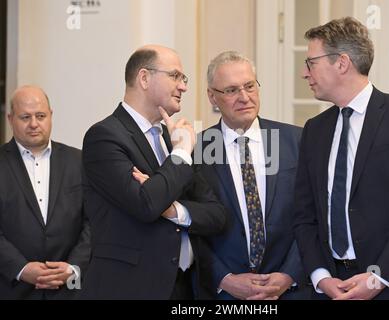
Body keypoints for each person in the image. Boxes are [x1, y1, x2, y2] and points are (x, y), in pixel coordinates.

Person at [294, 17, 389, 300]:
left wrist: (379, 277)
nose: (305, 73)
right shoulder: (314, 130)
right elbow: (304, 216)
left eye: (311, 63)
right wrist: (320, 276)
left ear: (341, 63)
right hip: (332, 289)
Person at [80, 45, 227, 300]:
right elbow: (146, 204)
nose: (184, 87)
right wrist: (181, 154)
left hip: (184, 287)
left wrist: (173, 210)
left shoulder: (172, 139)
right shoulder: (104, 137)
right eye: (175, 76)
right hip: (129, 288)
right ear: (144, 78)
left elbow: (216, 214)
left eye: (184, 79)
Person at [195, 51, 310, 300]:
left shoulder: (297, 141)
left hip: (290, 291)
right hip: (224, 295)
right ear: (212, 96)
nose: (244, 97)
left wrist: (289, 274)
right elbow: (191, 230)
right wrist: (224, 279)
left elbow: (313, 216)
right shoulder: (196, 151)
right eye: (231, 90)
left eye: (249, 86)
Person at [0, 86, 90, 299]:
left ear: (51, 115)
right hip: (11, 289)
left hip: (70, 291)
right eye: (25, 117)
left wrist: (73, 267)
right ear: (10, 119)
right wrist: (20, 268)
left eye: (40, 116)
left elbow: (94, 221)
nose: (33, 124)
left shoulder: (79, 161)